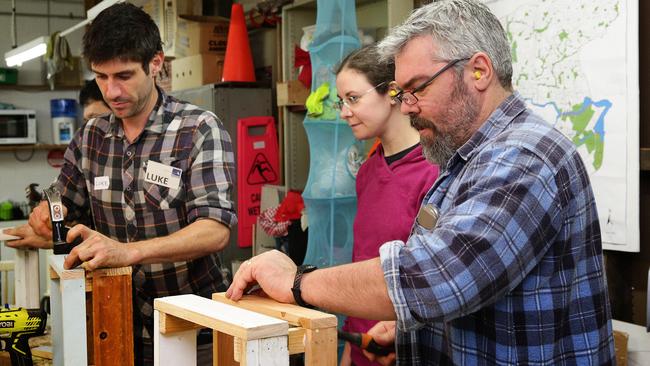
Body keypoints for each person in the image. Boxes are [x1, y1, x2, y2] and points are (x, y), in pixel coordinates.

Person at [225, 0, 614, 365]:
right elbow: (470, 282)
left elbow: (435, 278)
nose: (407, 107)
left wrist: (296, 281)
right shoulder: (465, 156)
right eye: (402, 92)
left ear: (478, 71)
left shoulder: (522, 158)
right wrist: (412, 329)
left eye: (419, 88)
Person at [6, 3, 236, 365]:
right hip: (115, 323)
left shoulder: (198, 129)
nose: (111, 91)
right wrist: (48, 214)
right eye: (101, 76)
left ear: (156, 63)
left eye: (124, 76)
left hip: (194, 326)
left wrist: (130, 251)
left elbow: (215, 230)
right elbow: (62, 200)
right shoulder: (91, 137)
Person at [333, 45, 439, 366]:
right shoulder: (367, 171)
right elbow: (363, 258)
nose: (344, 112)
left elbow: (435, 279)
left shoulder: (433, 171)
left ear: (392, 93)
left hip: (408, 347)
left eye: (353, 99)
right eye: (341, 102)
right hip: (360, 344)